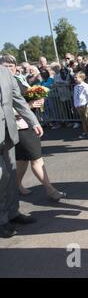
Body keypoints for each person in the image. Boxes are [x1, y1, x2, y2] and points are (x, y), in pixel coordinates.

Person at [0, 55, 66, 202]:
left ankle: (16, 186)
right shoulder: (3, 83)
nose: (9, 69)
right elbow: (5, 109)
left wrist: (37, 100)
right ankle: (50, 190)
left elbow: (22, 100)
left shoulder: (19, 79)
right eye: (5, 66)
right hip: (19, 127)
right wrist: (30, 106)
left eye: (12, 66)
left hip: (28, 124)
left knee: (22, 160)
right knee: (36, 159)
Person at [0, 65, 44, 238]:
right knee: (2, 176)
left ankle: (13, 213)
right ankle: (2, 220)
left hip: (8, 133)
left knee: (11, 175)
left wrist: (33, 121)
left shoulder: (4, 71)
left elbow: (17, 99)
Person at [73, 71, 88, 139]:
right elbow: (75, 97)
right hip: (79, 106)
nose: (75, 79)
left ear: (82, 78)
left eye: (76, 77)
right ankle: (86, 132)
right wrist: (76, 105)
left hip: (85, 105)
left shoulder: (86, 86)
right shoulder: (75, 87)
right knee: (83, 121)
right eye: (74, 77)